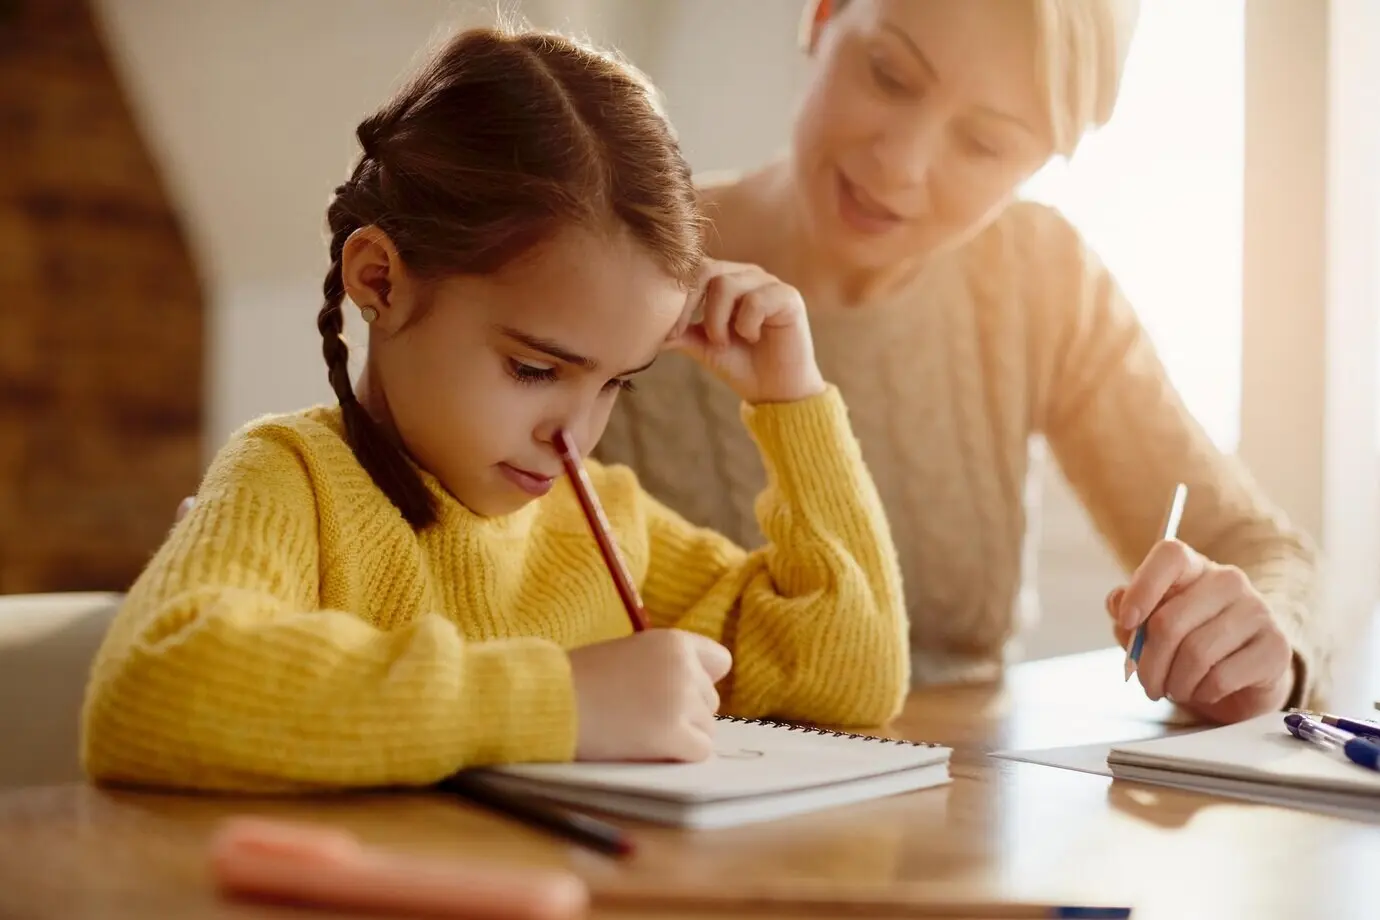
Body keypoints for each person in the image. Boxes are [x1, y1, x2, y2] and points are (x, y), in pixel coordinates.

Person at [80, 25, 909, 793]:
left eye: (618, 383)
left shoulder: (611, 525)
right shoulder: (294, 483)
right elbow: (151, 686)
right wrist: (561, 702)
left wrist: (792, 401)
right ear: (380, 280)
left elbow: (854, 672)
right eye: (533, 368)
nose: (574, 436)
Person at [594, 0, 1326, 724]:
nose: (901, 165)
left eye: (983, 143)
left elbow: (1255, 546)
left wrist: (1262, 648)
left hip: (963, 811)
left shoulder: (1040, 279)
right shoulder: (609, 264)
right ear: (821, 17)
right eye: (888, 75)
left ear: (1043, 162)